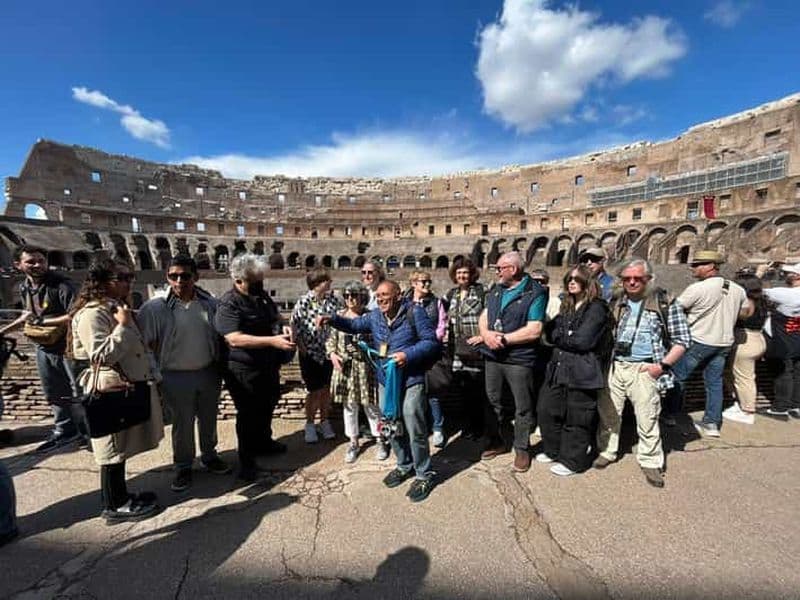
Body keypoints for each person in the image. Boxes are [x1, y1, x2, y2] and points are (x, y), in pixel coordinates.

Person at [318, 280, 440, 503]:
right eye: (379, 296)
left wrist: (407, 355)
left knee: (414, 424)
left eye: (386, 295)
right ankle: (404, 465)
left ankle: (424, 473)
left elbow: (431, 342)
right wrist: (332, 319)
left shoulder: (415, 312)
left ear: (398, 295)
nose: (381, 299)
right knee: (390, 425)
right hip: (386, 380)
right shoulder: (375, 316)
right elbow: (354, 326)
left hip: (411, 378)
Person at [71, 259, 164, 522]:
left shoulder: (114, 307)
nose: (128, 282)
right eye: (121, 277)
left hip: (124, 385)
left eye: (130, 277)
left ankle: (122, 497)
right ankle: (114, 506)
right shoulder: (93, 313)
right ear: (101, 281)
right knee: (111, 451)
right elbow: (101, 355)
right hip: (109, 388)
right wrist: (123, 326)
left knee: (119, 448)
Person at [594, 258, 691, 488]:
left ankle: (650, 461)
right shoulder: (616, 301)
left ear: (648, 279)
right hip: (616, 365)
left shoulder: (665, 302)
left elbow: (683, 340)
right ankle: (607, 451)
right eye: (627, 278)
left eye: (638, 278)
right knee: (609, 413)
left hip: (646, 368)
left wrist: (662, 366)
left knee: (647, 418)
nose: (632, 282)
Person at [138, 255, 230, 493]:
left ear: (196, 277)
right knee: (182, 424)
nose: (179, 281)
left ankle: (210, 456)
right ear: (167, 277)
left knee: (209, 419)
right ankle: (183, 466)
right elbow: (144, 346)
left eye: (185, 276)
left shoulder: (210, 304)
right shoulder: (154, 308)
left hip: (208, 371)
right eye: (173, 276)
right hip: (174, 375)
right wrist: (155, 375)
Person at [215, 254, 295, 482]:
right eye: (255, 281)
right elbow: (234, 338)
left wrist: (285, 326)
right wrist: (272, 341)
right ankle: (247, 462)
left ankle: (264, 442)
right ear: (239, 280)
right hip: (242, 368)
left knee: (268, 402)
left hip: (267, 363)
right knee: (248, 414)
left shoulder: (260, 297)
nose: (260, 285)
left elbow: (275, 317)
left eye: (261, 280)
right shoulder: (229, 303)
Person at [11, 245, 87, 453]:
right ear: (18, 265)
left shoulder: (62, 285)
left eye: (41, 261)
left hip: (68, 346)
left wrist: (44, 323)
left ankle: (88, 431)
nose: (37, 265)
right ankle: (65, 430)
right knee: (53, 390)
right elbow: (28, 314)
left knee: (79, 391)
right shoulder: (25, 286)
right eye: (31, 262)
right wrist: (6, 330)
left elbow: (76, 314)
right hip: (43, 346)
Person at [478, 251, 547, 473]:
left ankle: (522, 449)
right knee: (493, 401)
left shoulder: (534, 292)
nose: (496, 272)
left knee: (522, 407)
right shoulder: (496, 289)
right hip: (493, 356)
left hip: (519, 359)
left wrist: (505, 339)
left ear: (513, 269)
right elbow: (485, 314)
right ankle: (496, 441)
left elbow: (534, 329)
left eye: (499, 268)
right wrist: (486, 334)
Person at [537, 266, 610, 476]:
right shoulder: (567, 305)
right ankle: (554, 451)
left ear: (588, 281)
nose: (571, 281)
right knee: (547, 410)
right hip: (559, 366)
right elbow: (551, 332)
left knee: (577, 417)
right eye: (569, 278)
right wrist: (564, 335)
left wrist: (562, 337)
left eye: (577, 278)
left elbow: (584, 341)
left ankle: (573, 461)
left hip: (582, 369)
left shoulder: (596, 308)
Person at [671, 250, 748, 437]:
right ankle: (712, 423)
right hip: (724, 342)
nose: (693, 268)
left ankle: (669, 415)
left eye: (698, 264)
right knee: (714, 383)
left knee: (678, 377)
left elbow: (675, 308)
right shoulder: (738, 289)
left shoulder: (698, 288)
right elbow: (745, 312)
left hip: (700, 340)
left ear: (711, 267)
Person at [326, 281, 387, 463]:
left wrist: (382, 357)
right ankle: (353, 442)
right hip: (346, 368)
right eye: (346, 296)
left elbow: (383, 340)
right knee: (350, 407)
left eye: (354, 295)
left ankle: (380, 439)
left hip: (367, 367)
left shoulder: (372, 317)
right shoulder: (338, 316)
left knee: (372, 406)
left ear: (362, 297)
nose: (350, 299)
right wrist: (332, 354)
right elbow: (330, 340)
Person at [291, 268, 340, 443]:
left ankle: (324, 421)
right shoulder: (303, 302)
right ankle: (310, 424)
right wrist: (302, 348)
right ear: (318, 283)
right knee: (313, 390)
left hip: (328, 352)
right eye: (327, 280)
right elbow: (295, 326)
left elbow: (338, 321)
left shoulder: (333, 300)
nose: (330, 283)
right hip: (310, 353)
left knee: (326, 389)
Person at [444, 258, 488, 440]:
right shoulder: (451, 294)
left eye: (465, 273)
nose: (462, 276)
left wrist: (483, 336)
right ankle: (467, 426)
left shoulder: (481, 291)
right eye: (459, 273)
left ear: (471, 275)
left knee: (476, 389)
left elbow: (491, 316)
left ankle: (479, 427)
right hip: (456, 348)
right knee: (461, 388)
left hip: (474, 346)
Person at [406, 270, 447, 447]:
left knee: (433, 391)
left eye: (428, 282)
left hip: (430, 351)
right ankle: (418, 427)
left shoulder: (436, 302)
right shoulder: (404, 303)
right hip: (410, 352)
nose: (426, 285)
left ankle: (438, 428)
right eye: (423, 282)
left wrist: (427, 341)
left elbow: (441, 326)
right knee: (412, 391)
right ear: (413, 283)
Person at [723, 273, 767, 425]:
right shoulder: (762, 300)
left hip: (745, 341)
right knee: (733, 373)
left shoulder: (747, 303)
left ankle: (748, 411)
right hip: (757, 339)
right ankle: (740, 403)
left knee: (744, 377)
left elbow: (739, 316)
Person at [761, 262, 800, 420]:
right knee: (799, 372)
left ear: (797, 276)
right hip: (798, 334)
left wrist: (762, 273)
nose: (785, 275)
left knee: (783, 372)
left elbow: (756, 290)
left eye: (789, 273)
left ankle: (780, 408)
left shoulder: (785, 293)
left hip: (782, 338)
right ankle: (796, 406)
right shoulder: (786, 293)